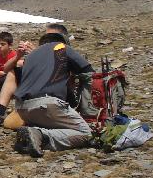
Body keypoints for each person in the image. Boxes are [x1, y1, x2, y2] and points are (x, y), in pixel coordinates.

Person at [13, 29, 94, 158]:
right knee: (86, 133)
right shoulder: (61, 47)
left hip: (22, 108)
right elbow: (89, 72)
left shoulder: (30, 57)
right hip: (47, 104)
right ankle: (42, 135)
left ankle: (33, 135)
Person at [0, 23, 66, 127]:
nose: (48, 41)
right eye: (46, 38)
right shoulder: (41, 52)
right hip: (34, 100)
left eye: (52, 38)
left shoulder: (65, 54)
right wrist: (19, 56)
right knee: (9, 123)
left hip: (53, 101)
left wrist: (37, 53)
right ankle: (0, 111)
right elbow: (7, 68)